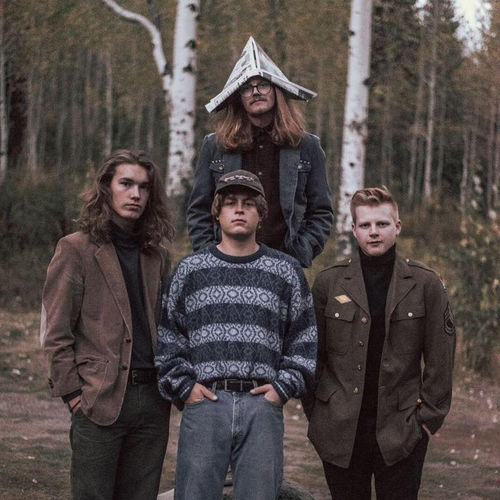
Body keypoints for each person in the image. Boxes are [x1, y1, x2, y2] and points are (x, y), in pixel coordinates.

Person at [156, 169, 317, 500]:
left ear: (261, 214)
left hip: (262, 405)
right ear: (217, 213)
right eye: (230, 203)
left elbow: (304, 339)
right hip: (205, 403)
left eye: (248, 203)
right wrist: (186, 388)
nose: (239, 209)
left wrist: (281, 390)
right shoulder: (190, 270)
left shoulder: (285, 271)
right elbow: (169, 337)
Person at [304, 186, 456, 499]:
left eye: (382, 224)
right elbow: (311, 356)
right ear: (354, 229)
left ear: (397, 226)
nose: (373, 232)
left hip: (402, 429)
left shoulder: (425, 283)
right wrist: (319, 413)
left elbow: (441, 359)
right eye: (365, 224)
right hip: (340, 428)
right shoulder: (329, 283)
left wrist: (425, 422)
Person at [40, 150, 174, 500]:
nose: (135, 194)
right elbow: (56, 332)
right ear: (106, 188)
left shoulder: (157, 255)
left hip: (152, 401)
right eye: (126, 184)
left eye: (144, 187)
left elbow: (169, 326)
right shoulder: (75, 249)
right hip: (99, 397)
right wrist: (73, 395)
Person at [187, 36, 333, 268]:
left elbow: (321, 212)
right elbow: (199, 210)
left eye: (263, 84)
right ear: (239, 98)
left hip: (284, 264)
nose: (255, 92)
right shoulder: (215, 145)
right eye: (247, 87)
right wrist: (212, 258)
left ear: (276, 90)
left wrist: (300, 253)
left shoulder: (306, 146)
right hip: (227, 263)